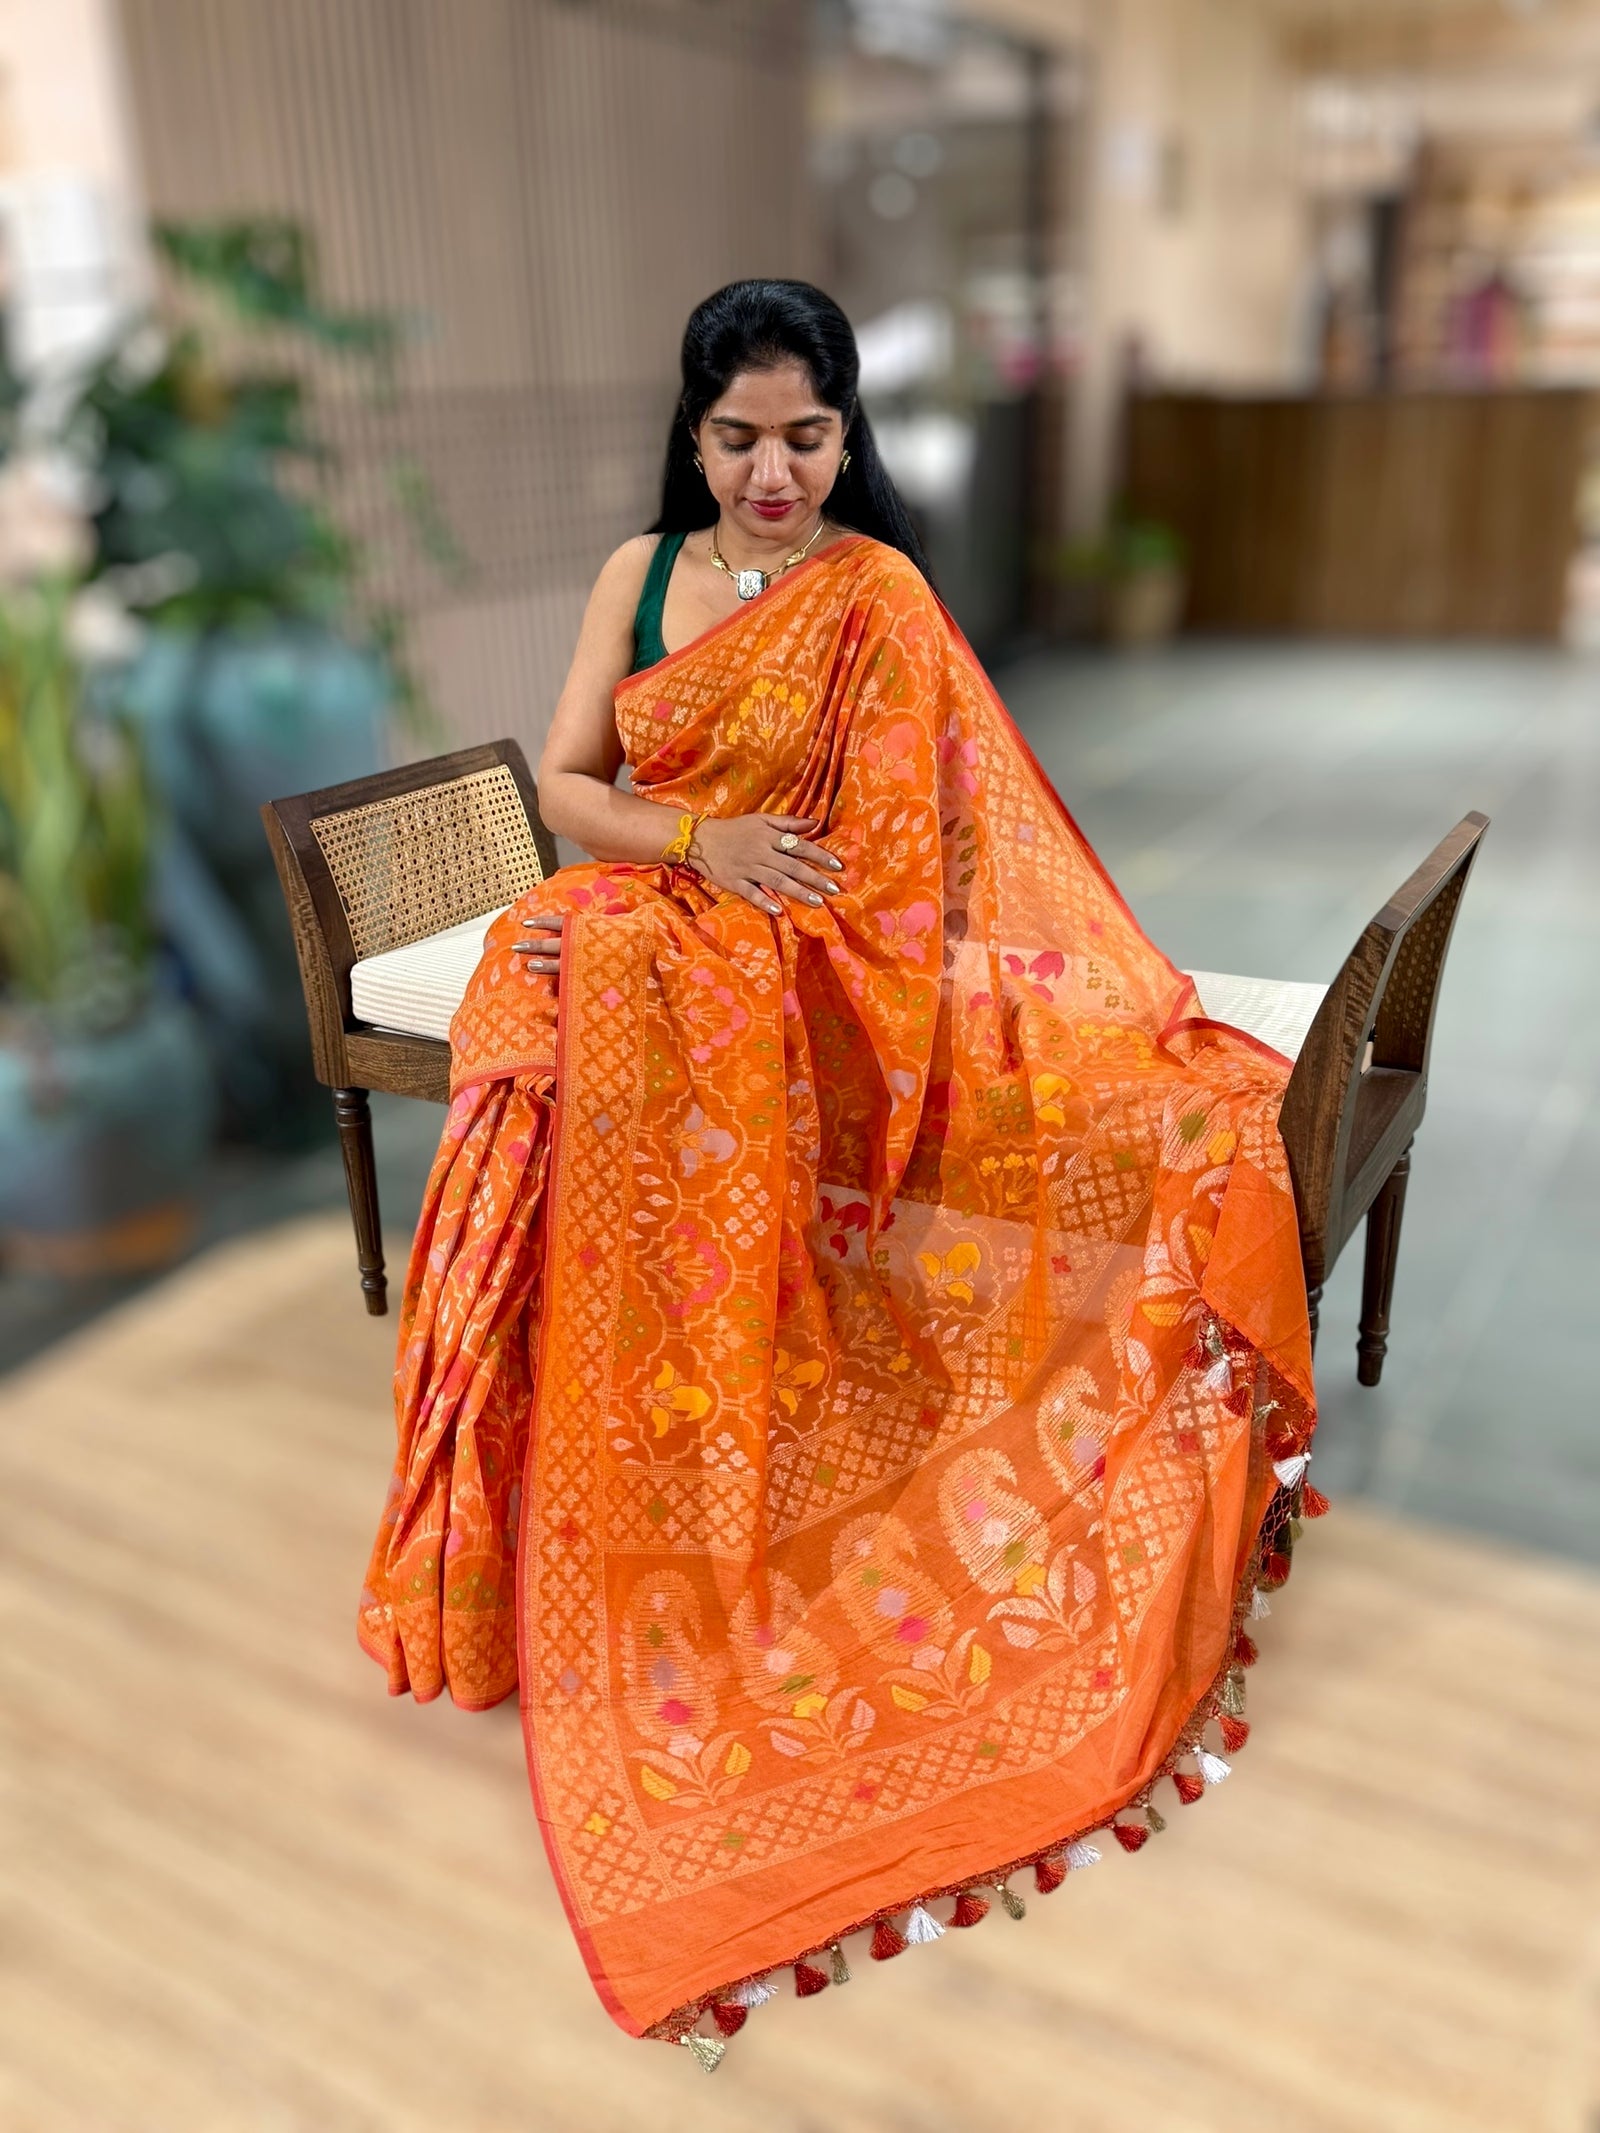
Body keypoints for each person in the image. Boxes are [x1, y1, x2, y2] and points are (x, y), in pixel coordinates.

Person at [358, 279, 1318, 2066]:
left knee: (1178, 1126)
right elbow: (565, 783)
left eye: (808, 435)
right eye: (739, 437)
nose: (774, 471)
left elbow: (930, 849)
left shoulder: (878, 594)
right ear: (693, 432)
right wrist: (696, 849)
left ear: (847, 433)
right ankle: (565, 1479)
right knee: (561, 1008)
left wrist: (765, 908)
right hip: (658, 913)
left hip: (819, 963)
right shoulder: (640, 573)